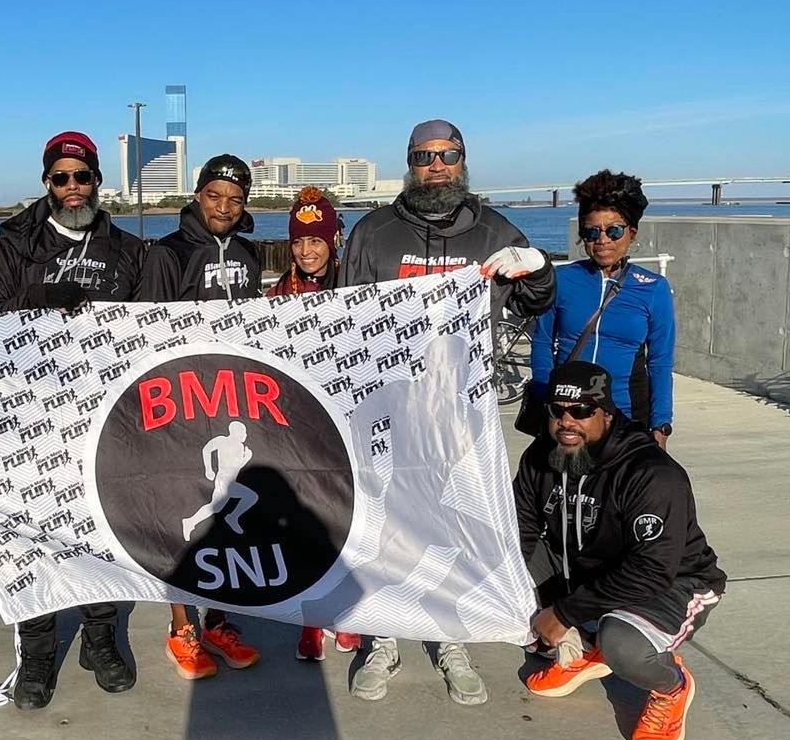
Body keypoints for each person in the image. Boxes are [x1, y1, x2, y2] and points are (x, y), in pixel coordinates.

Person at [340, 118, 556, 705]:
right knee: (385, 526)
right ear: (409, 163)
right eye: (424, 156)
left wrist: (537, 268)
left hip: (463, 415)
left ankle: (451, 637)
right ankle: (382, 637)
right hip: (388, 412)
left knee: (455, 524)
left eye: (448, 155)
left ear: (464, 160)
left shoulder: (494, 231)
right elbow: (343, 322)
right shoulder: (373, 233)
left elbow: (538, 300)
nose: (436, 166)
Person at [0, 130, 143, 710]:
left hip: (100, 415)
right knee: (33, 536)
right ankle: (39, 653)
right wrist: (46, 312)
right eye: (60, 178)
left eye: (83, 176)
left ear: (97, 179)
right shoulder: (13, 242)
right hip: (29, 413)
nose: (73, 188)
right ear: (47, 183)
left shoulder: (125, 248)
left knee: (98, 531)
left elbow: (145, 323)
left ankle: (100, 639)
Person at [512, 360, 725, 740]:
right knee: (508, 577)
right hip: (593, 570)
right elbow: (518, 532)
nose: (567, 422)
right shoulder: (539, 457)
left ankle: (670, 686)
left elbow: (651, 571)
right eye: (557, 411)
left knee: (623, 644)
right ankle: (587, 645)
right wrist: (510, 596)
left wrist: (562, 614)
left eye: (581, 411)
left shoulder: (651, 473)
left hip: (674, 582)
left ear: (606, 413)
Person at [138, 154, 263, 680]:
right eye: (214, 196)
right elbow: (145, 330)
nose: (224, 208)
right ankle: (181, 626)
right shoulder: (168, 253)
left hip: (233, 402)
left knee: (235, 525)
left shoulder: (252, 253)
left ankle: (220, 620)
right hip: (181, 403)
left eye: (235, 200)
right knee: (183, 516)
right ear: (197, 195)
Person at [265, 186, 363, 661]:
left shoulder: (356, 286)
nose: (307, 251)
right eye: (299, 242)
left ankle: (346, 614)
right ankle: (311, 620)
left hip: (347, 427)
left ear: (332, 240)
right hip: (298, 429)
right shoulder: (273, 296)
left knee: (347, 521)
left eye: (316, 240)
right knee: (303, 526)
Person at [530, 170, 676, 448]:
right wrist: (543, 397)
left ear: (631, 233)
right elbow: (542, 342)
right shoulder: (562, 280)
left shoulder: (653, 288)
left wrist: (661, 424)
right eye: (592, 231)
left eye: (614, 230)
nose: (603, 240)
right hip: (569, 416)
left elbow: (660, 362)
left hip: (626, 415)